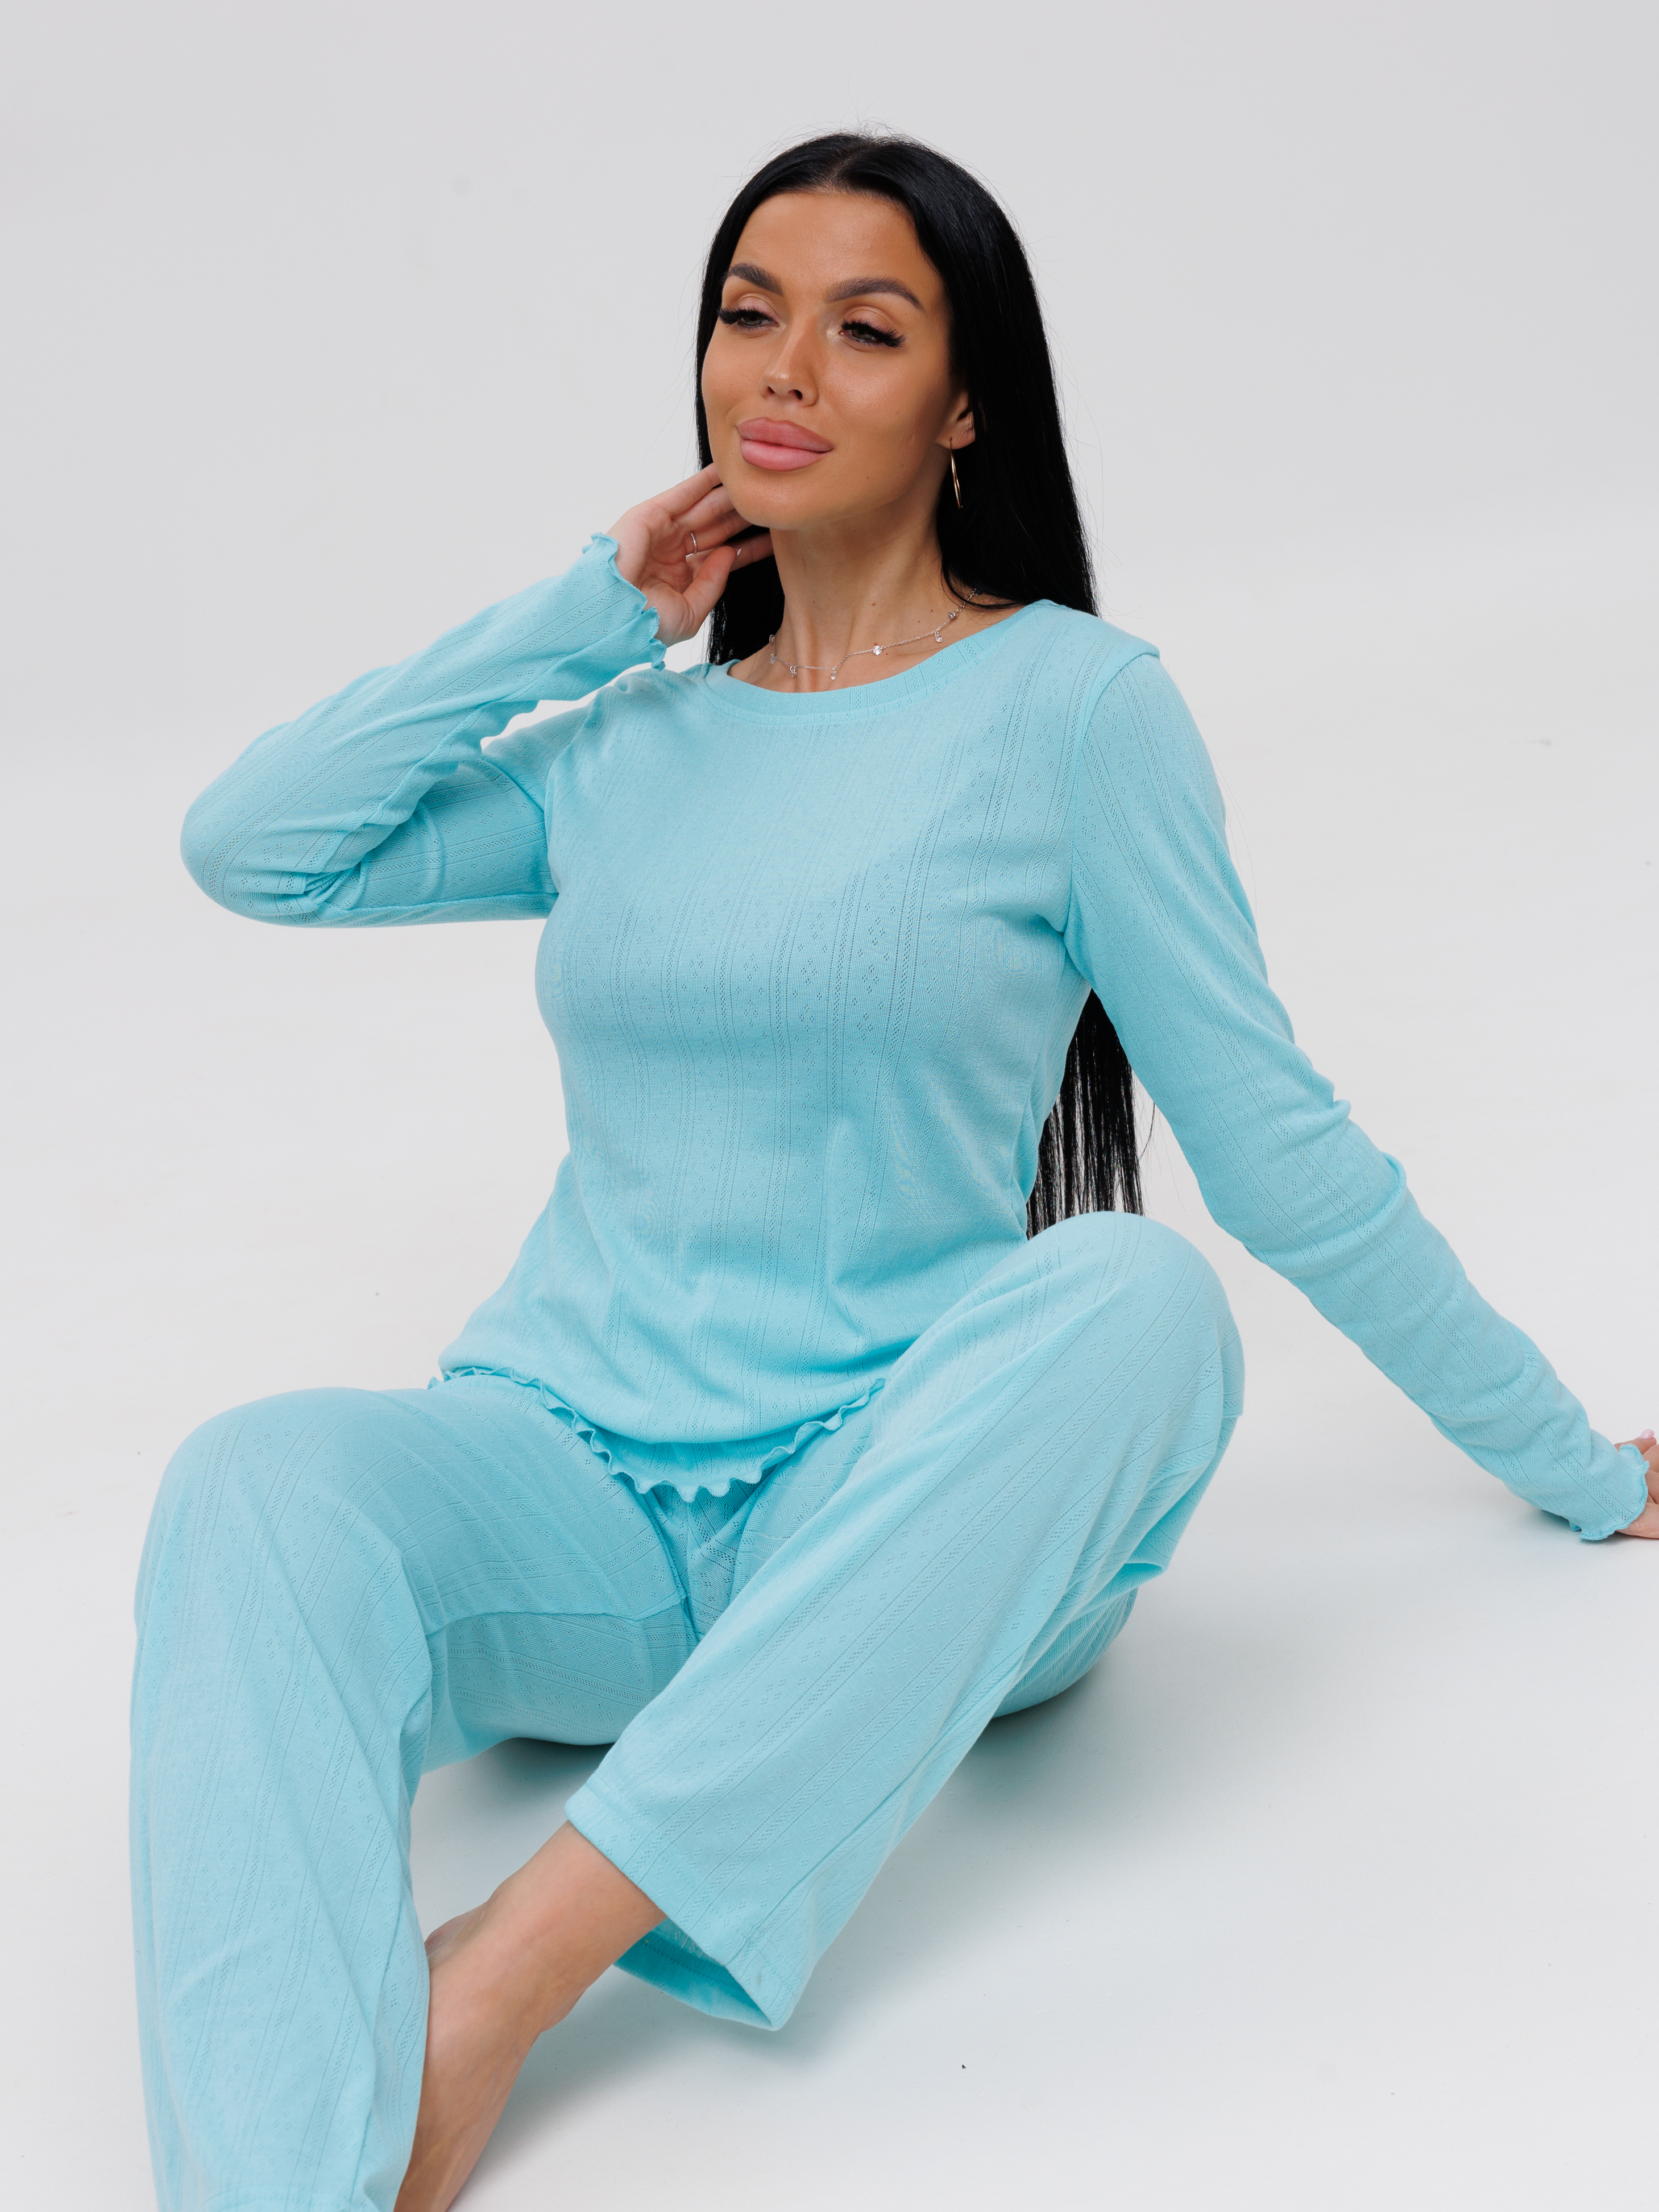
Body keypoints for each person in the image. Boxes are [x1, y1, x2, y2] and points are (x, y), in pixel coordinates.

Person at [130, 131, 1659, 2212]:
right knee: (253, 1480)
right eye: (748, 313)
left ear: (963, 407)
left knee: (1141, 1293)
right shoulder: (627, 739)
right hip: (576, 1487)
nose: (783, 368)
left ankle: (510, 1970)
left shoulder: (1078, 710)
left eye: (864, 329)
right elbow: (258, 847)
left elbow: (1279, 1151)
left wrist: (1574, 1462)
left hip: (899, 1520)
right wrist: (589, 608)